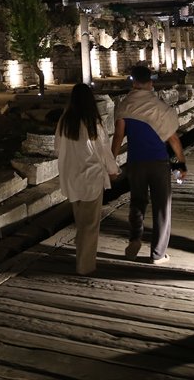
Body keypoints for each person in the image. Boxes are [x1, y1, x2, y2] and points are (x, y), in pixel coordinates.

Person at [111, 64, 188, 265]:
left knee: (137, 202)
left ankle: (135, 238)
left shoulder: (124, 105)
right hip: (158, 161)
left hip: (135, 162)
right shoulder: (160, 107)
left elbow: (118, 136)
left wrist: (111, 163)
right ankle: (158, 253)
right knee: (162, 206)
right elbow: (173, 139)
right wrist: (182, 162)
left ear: (133, 82)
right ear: (151, 83)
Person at [56, 83, 121, 275]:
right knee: (90, 224)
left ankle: (81, 253)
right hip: (90, 178)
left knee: (81, 221)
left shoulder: (65, 121)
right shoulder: (93, 122)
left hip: (71, 178)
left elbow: (57, 148)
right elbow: (104, 151)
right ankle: (85, 266)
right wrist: (113, 170)